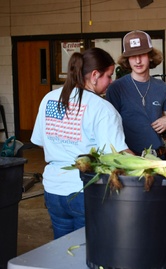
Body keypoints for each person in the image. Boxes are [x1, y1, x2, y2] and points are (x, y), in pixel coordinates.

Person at [31, 47, 132, 239]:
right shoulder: (102, 108)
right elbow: (119, 155)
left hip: (53, 190)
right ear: (94, 75)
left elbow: (41, 142)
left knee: (63, 249)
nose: (111, 82)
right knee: (89, 251)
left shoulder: (50, 99)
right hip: (84, 191)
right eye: (109, 76)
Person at [106, 30, 166, 159]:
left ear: (151, 56)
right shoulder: (116, 88)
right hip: (127, 159)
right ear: (127, 59)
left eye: (142, 54)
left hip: (157, 157)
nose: (138, 61)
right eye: (133, 56)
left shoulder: (162, 87)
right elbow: (109, 128)